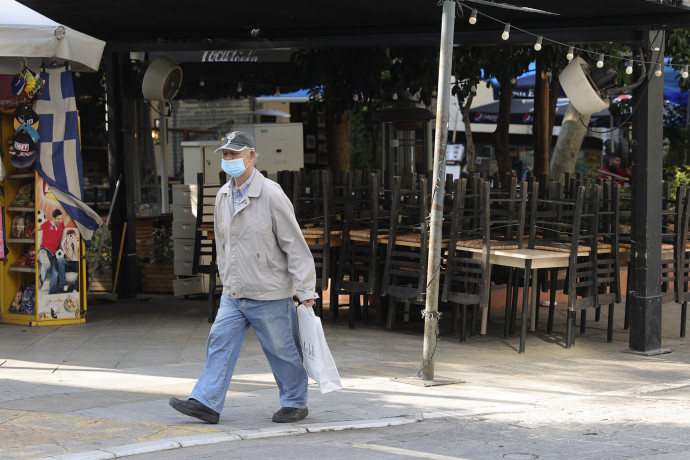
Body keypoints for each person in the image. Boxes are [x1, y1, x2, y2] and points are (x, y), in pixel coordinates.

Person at [169, 131, 318, 424]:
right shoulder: (223, 195)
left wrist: (306, 289)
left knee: (282, 351)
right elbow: (225, 243)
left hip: (270, 291)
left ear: (251, 156)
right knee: (219, 343)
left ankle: (295, 402)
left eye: (234, 154)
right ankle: (206, 402)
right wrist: (226, 279)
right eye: (225, 155)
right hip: (234, 292)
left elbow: (295, 245)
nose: (228, 159)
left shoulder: (272, 194)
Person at [38, 209, 70, 293]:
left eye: (60, 219)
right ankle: (41, 279)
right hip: (44, 250)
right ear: (53, 218)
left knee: (55, 274)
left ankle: (51, 294)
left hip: (53, 255)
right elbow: (38, 227)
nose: (59, 220)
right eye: (58, 219)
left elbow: (68, 219)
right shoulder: (46, 224)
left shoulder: (61, 226)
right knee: (46, 263)